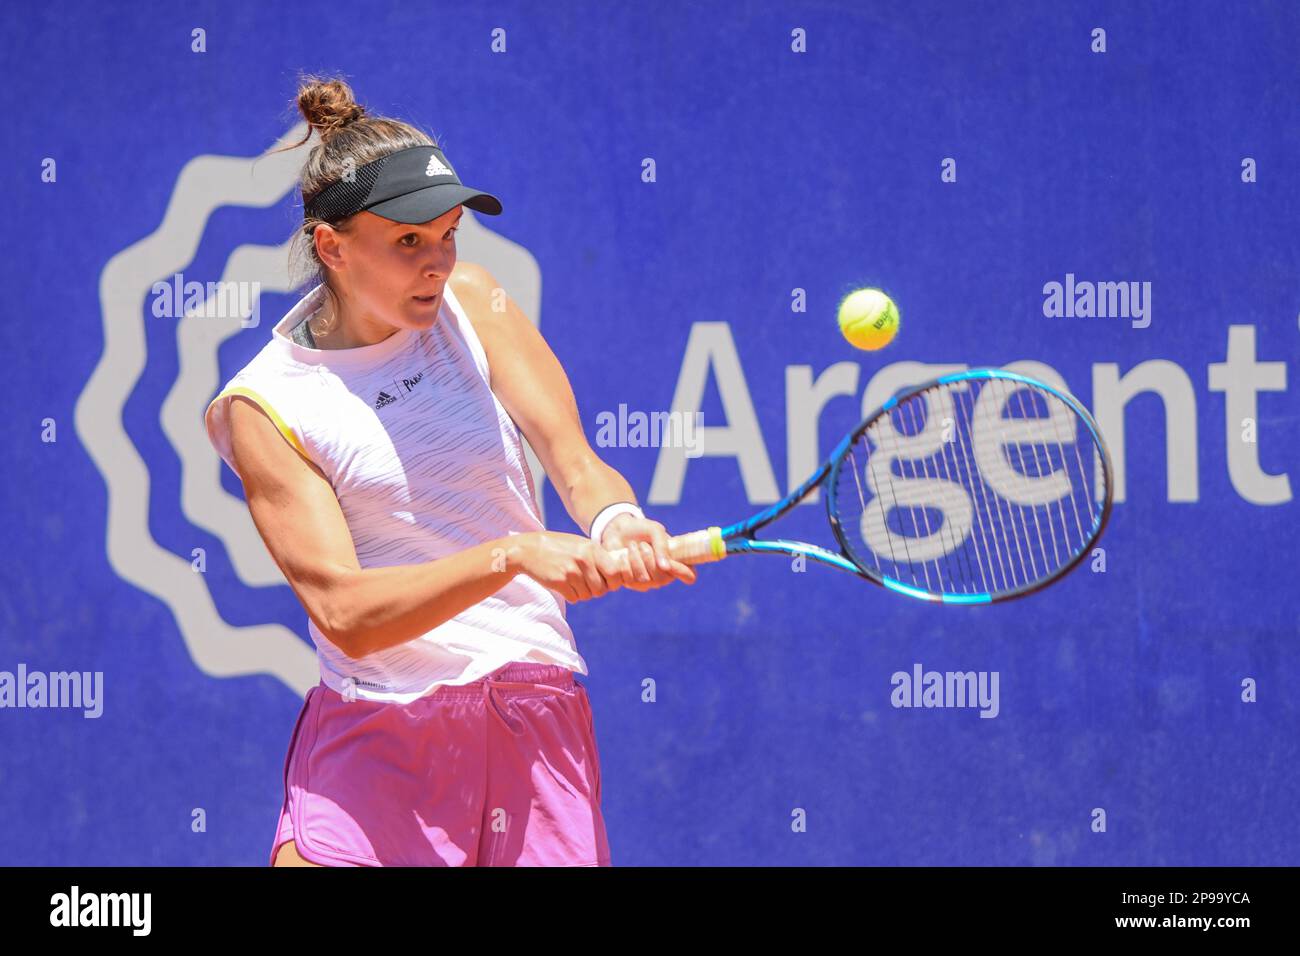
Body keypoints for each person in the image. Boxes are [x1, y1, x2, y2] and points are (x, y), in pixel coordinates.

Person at [204, 75, 696, 867]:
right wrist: (510, 555)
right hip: (374, 735)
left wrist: (617, 522)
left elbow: (576, 463)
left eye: (448, 236)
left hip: (529, 707)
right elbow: (345, 614)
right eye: (407, 243)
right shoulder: (264, 407)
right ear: (331, 246)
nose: (437, 264)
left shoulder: (475, 301)